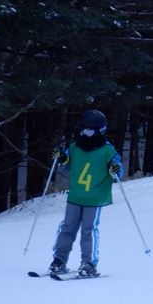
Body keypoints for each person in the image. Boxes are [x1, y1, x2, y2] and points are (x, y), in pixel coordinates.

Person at [48, 109, 124, 276]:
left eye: (89, 131)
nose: (85, 135)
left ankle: (88, 263)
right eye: (82, 130)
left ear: (100, 131)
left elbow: (118, 170)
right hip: (75, 196)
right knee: (67, 228)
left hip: (95, 198)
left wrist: (115, 170)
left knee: (88, 230)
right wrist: (60, 158)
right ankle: (59, 260)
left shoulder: (107, 151)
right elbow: (66, 163)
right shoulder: (75, 147)